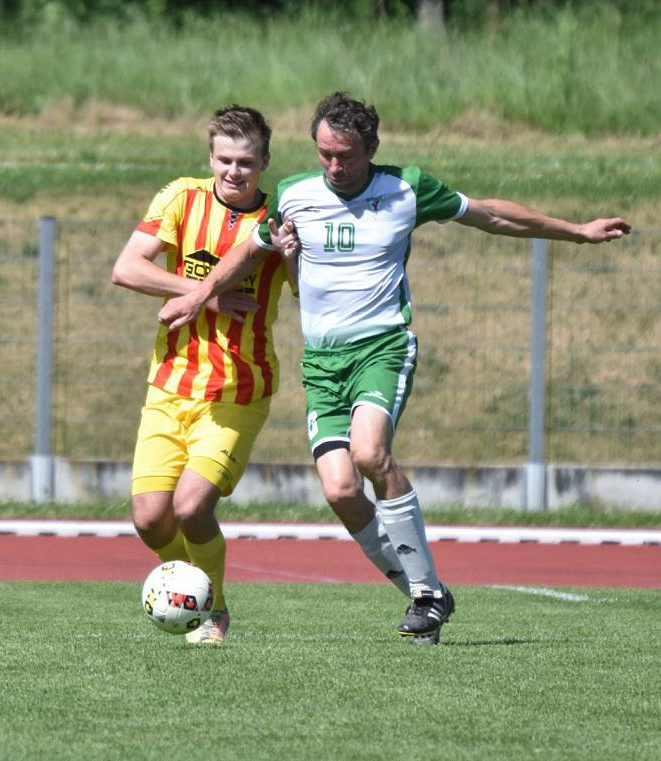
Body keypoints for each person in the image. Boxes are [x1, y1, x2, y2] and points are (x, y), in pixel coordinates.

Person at [158, 92, 632, 645]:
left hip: (381, 347)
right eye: (325, 153)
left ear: (372, 148)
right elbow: (249, 247)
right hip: (322, 362)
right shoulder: (294, 194)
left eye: (346, 155)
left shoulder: (406, 188)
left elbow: (492, 214)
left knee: (369, 453)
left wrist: (575, 230)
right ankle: (422, 590)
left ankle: (426, 595)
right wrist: (200, 294)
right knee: (338, 489)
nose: (334, 166)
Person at [111, 105, 297, 645]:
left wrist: (296, 256)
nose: (233, 171)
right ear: (209, 157)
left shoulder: (279, 220)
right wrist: (203, 295)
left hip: (238, 389)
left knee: (191, 506)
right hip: (169, 383)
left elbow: (308, 288)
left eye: (246, 161)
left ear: (265, 161)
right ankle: (183, 587)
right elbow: (126, 268)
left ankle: (211, 610)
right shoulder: (180, 198)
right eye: (224, 159)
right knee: (150, 520)